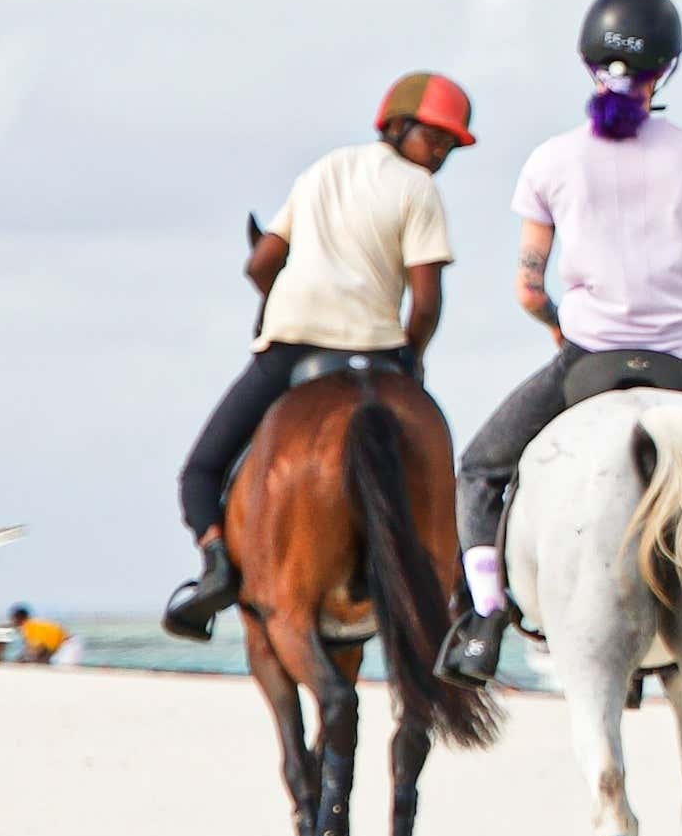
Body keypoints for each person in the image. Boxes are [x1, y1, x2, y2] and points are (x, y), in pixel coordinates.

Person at [437, 0, 682, 701]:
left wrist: (560, 323)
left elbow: (527, 286)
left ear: (587, 64)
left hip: (588, 362)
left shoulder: (550, 160)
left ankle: (485, 621)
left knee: (483, 469)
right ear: (667, 70)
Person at [159, 72, 477, 641]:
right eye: (436, 138)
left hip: (293, 344)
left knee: (202, 471)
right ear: (398, 126)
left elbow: (259, 264)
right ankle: (464, 593)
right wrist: (413, 359)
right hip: (379, 353)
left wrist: (278, 294)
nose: (441, 152)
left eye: (450, 145)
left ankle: (214, 574)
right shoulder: (419, 190)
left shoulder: (322, 170)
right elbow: (426, 302)